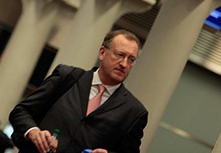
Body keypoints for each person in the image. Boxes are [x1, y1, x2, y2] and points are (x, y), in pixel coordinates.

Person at [9, 30, 148, 153]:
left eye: (131, 59)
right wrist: (33, 131)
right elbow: (21, 111)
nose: (124, 64)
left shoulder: (134, 112)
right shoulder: (67, 77)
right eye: (119, 55)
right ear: (102, 52)